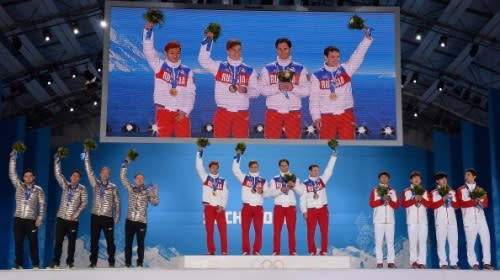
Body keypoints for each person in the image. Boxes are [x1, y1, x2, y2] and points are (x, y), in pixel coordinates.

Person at [309, 28, 373, 139]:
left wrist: (367, 39)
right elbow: (314, 99)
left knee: (349, 146)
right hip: (327, 116)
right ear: (325, 57)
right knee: (325, 146)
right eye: (332, 57)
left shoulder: (346, 69)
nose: (336, 59)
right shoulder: (317, 75)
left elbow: (358, 55)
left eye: (338, 57)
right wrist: (316, 117)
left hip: (346, 114)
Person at [198, 31, 259, 138]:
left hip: (242, 113)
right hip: (223, 112)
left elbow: (256, 92)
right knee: (220, 143)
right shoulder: (219, 66)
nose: (236, 53)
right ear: (227, 51)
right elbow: (203, 60)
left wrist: (246, 90)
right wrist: (208, 41)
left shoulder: (250, 70)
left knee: (241, 142)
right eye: (233, 50)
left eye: (239, 50)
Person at [143, 22, 196, 137]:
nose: (175, 55)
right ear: (165, 53)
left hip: (181, 112)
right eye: (172, 53)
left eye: (178, 53)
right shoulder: (159, 66)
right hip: (163, 111)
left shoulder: (188, 71)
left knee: (185, 144)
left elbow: (191, 93)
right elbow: (149, 52)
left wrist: (185, 111)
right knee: (161, 143)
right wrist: (148, 32)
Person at [259, 38, 310, 139]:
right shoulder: (267, 68)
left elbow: (307, 91)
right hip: (273, 111)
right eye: (280, 49)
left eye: (285, 49)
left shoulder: (300, 68)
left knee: (294, 144)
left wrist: (293, 88)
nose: (282, 52)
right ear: (276, 50)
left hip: (293, 111)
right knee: (271, 143)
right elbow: (262, 90)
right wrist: (277, 88)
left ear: (290, 49)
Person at [49, 153, 88, 269]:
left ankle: (70, 263)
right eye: (73, 176)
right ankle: (55, 262)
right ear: (70, 177)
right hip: (61, 218)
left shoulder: (82, 189)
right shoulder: (65, 185)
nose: (75, 178)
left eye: (77, 176)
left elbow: (84, 203)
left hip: (73, 220)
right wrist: (57, 160)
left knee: (71, 243)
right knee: (58, 242)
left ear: (79, 178)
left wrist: (75, 215)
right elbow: (58, 174)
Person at [9, 149, 46, 269]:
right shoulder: (19, 186)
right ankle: (18, 264)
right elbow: (12, 174)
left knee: (33, 243)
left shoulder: (38, 189)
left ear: (33, 177)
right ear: (23, 178)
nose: (28, 178)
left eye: (30, 176)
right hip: (18, 219)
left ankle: (35, 264)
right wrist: (13, 158)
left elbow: (42, 204)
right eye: (26, 176)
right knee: (18, 243)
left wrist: (40, 217)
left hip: (31, 220)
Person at [120, 156, 159, 268]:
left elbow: (155, 203)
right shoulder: (130, 188)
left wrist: (155, 190)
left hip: (142, 221)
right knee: (128, 243)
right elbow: (122, 177)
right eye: (138, 178)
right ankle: (127, 264)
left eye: (142, 178)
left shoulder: (147, 191)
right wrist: (126, 162)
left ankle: (139, 264)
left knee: (141, 244)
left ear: (144, 180)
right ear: (134, 180)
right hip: (129, 220)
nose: (140, 180)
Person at [83, 148, 120, 268]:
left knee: (110, 241)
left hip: (108, 217)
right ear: (100, 174)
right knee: (94, 240)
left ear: (109, 175)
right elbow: (89, 170)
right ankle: (93, 262)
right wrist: (87, 154)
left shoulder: (113, 187)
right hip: (95, 216)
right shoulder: (95, 184)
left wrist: (117, 215)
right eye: (103, 172)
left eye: (107, 173)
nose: (104, 174)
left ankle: (111, 261)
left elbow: (117, 202)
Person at [456, 168, 495, 270]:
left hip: (481, 219)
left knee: (486, 240)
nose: (466, 177)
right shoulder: (461, 190)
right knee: (470, 243)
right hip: (469, 220)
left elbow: (485, 204)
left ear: (474, 176)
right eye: (465, 175)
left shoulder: (480, 190)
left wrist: (479, 203)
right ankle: (474, 263)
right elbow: (461, 203)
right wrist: (475, 201)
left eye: (468, 175)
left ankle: (486, 263)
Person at [300, 151, 337, 255]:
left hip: (323, 209)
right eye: (315, 171)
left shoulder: (322, 180)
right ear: (310, 171)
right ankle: (312, 250)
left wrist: (333, 157)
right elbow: (302, 199)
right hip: (311, 210)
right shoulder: (305, 184)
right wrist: (304, 211)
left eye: (318, 170)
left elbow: (329, 170)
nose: (317, 172)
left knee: (324, 231)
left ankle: (324, 250)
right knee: (310, 232)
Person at [232, 150, 268, 255]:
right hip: (247, 207)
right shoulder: (244, 177)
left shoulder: (263, 180)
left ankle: (256, 250)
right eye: (252, 167)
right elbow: (235, 170)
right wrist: (238, 155)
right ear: (249, 168)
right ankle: (246, 251)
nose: (254, 168)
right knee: (245, 230)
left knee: (258, 230)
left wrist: (262, 192)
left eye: (255, 167)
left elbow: (267, 194)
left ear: (258, 168)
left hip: (258, 208)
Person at [195, 147, 229, 255]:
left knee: (223, 231)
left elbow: (225, 194)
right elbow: (198, 166)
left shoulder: (223, 180)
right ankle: (211, 250)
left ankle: (224, 251)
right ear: (209, 168)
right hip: (208, 207)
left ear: (218, 168)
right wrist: (199, 152)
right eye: (213, 168)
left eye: (216, 168)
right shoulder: (205, 178)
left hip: (220, 208)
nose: (215, 169)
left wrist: (222, 206)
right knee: (209, 230)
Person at [269, 159, 303, 255]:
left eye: (286, 165)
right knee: (277, 230)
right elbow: (271, 194)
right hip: (279, 206)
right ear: (279, 167)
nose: (284, 167)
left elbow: (300, 192)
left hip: (290, 207)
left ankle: (293, 251)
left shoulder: (294, 178)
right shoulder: (274, 179)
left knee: (292, 230)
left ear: (288, 166)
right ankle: (276, 251)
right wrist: (281, 190)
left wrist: (294, 186)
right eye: (282, 165)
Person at [429, 172, 459, 269]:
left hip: (452, 221)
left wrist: (450, 199)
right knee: (441, 243)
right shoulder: (434, 192)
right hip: (440, 222)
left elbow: (457, 205)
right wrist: (443, 199)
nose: (444, 180)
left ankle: (454, 263)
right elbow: (432, 205)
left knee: (453, 242)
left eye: (445, 178)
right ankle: (443, 263)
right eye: (442, 179)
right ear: (437, 181)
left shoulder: (452, 192)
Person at [401, 171, 431, 269]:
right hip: (412, 221)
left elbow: (429, 205)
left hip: (423, 221)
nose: (416, 179)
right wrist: (414, 199)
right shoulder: (407, 191)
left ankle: (422, 262)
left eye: (418, 178)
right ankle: (413, 262)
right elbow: (404, 204)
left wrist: (422, 199)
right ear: (411, 180)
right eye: (414, 178)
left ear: (420, 180)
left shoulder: (425, 191)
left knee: (422, 242)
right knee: (413, 243)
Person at [369, 171, 398, 269]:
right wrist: (381, 200)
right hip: (378, 220)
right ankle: (379, 262)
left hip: (390, 220)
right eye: (382, 177)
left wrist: (389, 201)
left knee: (390, 242)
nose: (384, 178)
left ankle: (391, 262)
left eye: (386, 177)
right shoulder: (375, 190)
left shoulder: (392, 191)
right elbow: (372, 204)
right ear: (379, 179)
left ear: (388, 179)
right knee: (379, 242)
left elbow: (397, 205)